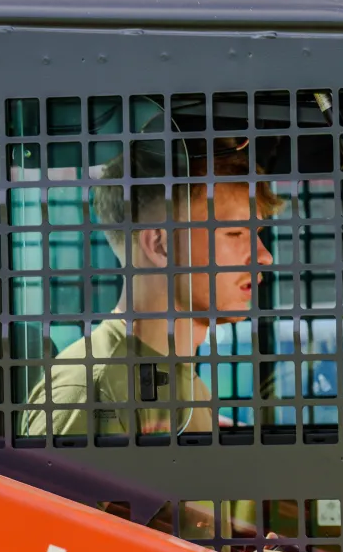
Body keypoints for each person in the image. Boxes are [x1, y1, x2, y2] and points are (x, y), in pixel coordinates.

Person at [19, 137, 285, 438]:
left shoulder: (178, 380)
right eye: (236, 233)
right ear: (160, 245)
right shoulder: (89, 393)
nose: (264, 256)